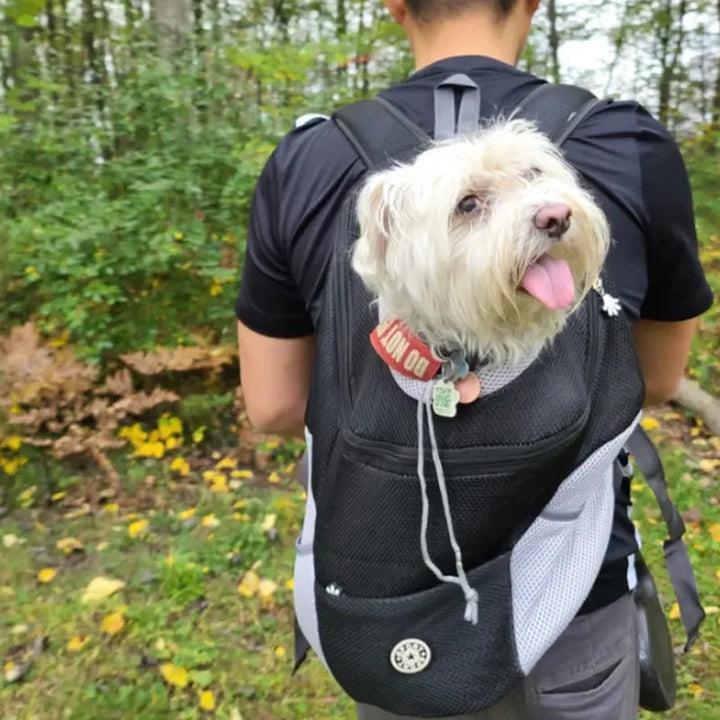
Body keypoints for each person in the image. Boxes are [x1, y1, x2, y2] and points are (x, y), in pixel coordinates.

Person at [235, 1, 714, 718]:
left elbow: (274, 407)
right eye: (471, 206)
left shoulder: (305, 159)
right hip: (577, 590)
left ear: (394, 5)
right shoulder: (628, 139)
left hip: (389, 601)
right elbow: (657, 379)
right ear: (533, 3)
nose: (547, 212)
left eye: (535, 183)